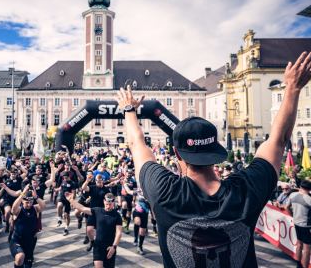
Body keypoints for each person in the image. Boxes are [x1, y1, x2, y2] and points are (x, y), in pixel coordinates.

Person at [116, 51, 311, 268]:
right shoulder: (245, 190)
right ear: (217, 152)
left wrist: (129, 109)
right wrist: (293, 88)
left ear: (177, 154)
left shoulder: (164, 191)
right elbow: (279, 139)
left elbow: (136, 143)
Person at [67, 192, 122, 268]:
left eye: (110, 204)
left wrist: (114, 247)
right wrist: (71, 200)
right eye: (107, 204)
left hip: (110, 247)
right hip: (98, 246)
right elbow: (82, 208)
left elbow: (119, 233)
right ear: (104, 201)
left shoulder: (117, 215)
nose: (108, 206)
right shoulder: (97, 211)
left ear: (113, 203)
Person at [9, 185, 45, 268]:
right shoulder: (19, 210)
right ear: (22, 201)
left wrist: (36, 197)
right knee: (20, 257)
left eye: (31, 202)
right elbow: (13, 208)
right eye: (27, 202)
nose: (29, 204)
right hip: (17, 239)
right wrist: (22, 195)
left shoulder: (35, 208)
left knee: (28, 263)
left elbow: (43, 206)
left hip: (30, 240)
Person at [285, 180, 311, 268]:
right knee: (307, 248)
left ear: (300, 187)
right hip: (306, 226)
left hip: (297, 223)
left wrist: (292, 215)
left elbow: (286, 207)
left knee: (299, 244)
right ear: (309, 189)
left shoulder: (293, 195)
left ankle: (298, 265)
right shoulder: (308, 199)